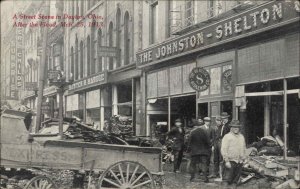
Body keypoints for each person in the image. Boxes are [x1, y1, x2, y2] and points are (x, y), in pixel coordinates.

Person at [221, 120, 247, 187]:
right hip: (230, 162)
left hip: (239, 162)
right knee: (226, 180)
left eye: (237, 127)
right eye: (234, 127)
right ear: (231, 128)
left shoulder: (242, 137)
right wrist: (226, 161)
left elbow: (244, 148)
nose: (236, 128)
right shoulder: (227, 137)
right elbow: (224, 150)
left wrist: (244, 159)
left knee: (235, 181)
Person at [188, 117, 212, 182]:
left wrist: (188, 150)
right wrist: (208, 148)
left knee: (193, 164)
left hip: (194, 152)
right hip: (203, 152)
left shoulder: (192, 132)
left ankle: (192, 178)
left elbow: (189, 142)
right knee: (204, 164)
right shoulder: (205, 132)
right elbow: (208, 142)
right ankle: (205, 178)